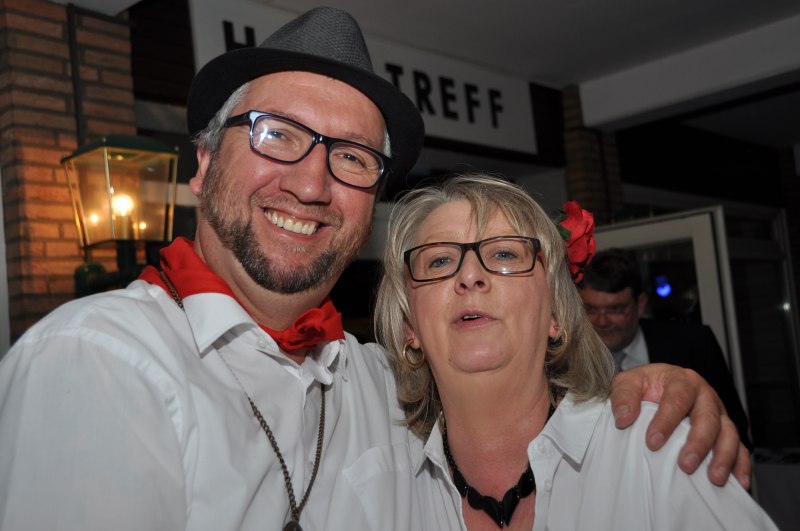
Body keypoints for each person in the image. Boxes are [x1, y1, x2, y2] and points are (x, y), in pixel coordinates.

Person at [0, 7, 747, 531]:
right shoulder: (101, 361)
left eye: (352, 157)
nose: (311, 184)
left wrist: (648, 387)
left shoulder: (370, 380)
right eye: (277, 133)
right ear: (202, 163)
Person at [333, 173, 775, 530]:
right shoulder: (375, 497)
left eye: (505, 254)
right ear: (410, 326)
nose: (470, 276)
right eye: (440, 261)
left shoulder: (655, 456)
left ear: (556, 315)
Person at [579, 248, 752, 449]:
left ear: (640, 304)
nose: (601, 321)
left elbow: (732, 425)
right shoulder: (566, 356)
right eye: (590, 309)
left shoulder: (693, 343)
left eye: (615, 309)